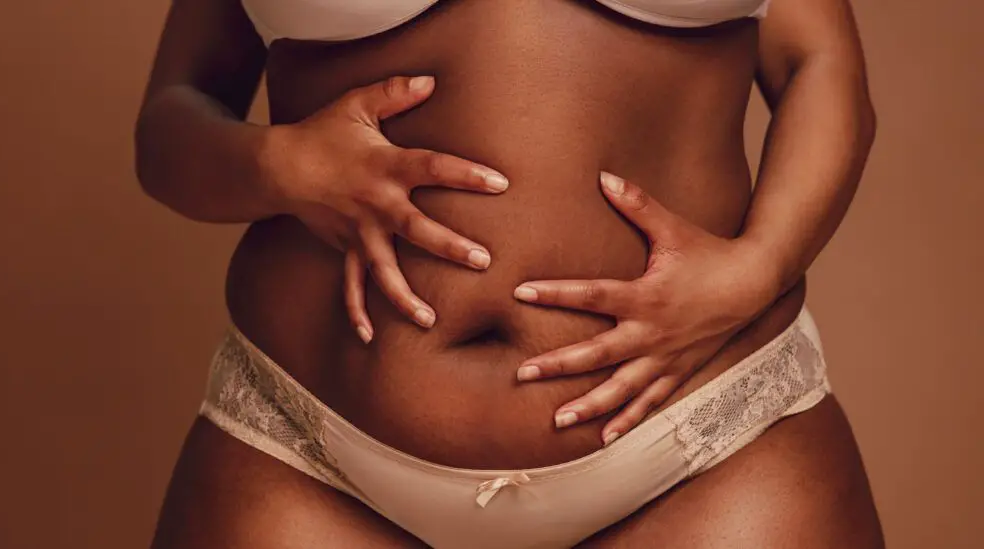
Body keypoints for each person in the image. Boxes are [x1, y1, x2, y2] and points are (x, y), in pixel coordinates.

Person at [136, 0, 884, 547]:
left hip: (711, 446)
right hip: (309, 451)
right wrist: (281, 164)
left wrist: (759, 268)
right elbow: (172, 118)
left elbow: (820, 62)